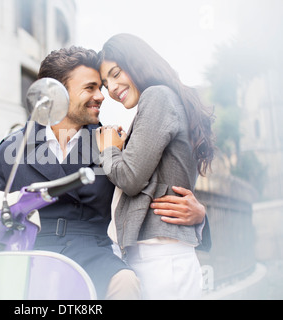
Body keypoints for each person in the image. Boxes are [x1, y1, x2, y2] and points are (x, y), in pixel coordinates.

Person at [0, 46, 209, 299]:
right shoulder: (13, 149)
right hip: (29, 251)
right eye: (90, 87)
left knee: (125, 282)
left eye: (100, 88)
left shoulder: (113, 145)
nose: (102, 96)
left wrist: (200, 216)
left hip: (94, 254)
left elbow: (148, 194)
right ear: (54, 93)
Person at [97, 33, 215, 299]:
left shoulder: (158, 97)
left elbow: (129, 177)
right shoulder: (169, 99)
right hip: (161, 259)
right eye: (106, 83)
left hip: (160, 260)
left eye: (116, 73)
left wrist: (109, 149)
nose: (113, 88)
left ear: (137, 62)